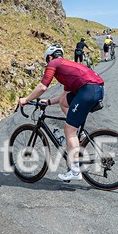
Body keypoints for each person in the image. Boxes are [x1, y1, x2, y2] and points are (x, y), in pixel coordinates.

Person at [18, 45, 104, 182]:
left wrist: (26, 99)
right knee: (65, 102)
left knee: (69, 131)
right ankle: (73, 137)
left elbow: (42, 87)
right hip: (96, 89)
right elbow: (64, 97)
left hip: (88, 90)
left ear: (50, 57)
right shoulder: (67, 67)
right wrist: (48, 102)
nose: (48, 63)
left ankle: (75, 171)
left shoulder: (54, 63)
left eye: (48, 60)